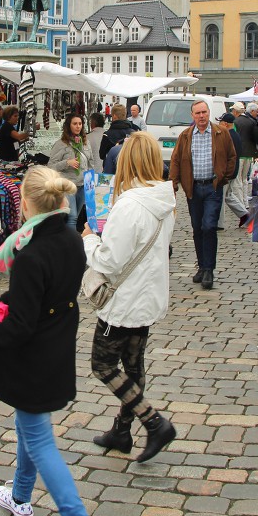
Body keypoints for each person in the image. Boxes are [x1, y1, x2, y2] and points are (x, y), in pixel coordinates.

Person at [0, 166, 89, 516]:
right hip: (54, 351)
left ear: (28, 206)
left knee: (40, 440)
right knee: (29, 426)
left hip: (34, 360)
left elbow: (17, 327)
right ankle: (19, 495)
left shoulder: (31, 254)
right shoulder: (71, 240)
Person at [82, 132, 179, 462]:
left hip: (123, 302)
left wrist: (88, 240)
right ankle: (122, 431)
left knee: (103, 364)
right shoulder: (164, 200)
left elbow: (109, 260)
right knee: (133, 366)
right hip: (147, 296)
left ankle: (154, 423)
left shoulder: (129, 204)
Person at [169, 99, 238, 290]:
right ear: (192, 115)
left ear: (209, 113)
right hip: (193, 188)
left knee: (209, 226)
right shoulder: (185, 136)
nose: (201, 116)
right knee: (197, 228)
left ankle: (209, 269)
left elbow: (232, 156)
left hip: (212, 187)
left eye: (204, 112)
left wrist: (224, 176)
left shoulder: (220, 133)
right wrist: (172, 186)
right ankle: (201, 266)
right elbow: (175, 161)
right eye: (198, 113)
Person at [47, 114, 89, 221]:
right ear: (68, 126)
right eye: (75, 124)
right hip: (67, 185)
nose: (78, 126)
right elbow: (50, 167)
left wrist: (91, 180)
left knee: (76, 216)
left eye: (80, 124)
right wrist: (67, 163)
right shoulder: (60, 144)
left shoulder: (85, 143)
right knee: (72, 217)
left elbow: (90, 162)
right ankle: (71, 238)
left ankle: (64, 235)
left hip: (82, 185)